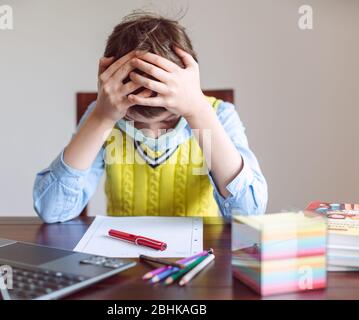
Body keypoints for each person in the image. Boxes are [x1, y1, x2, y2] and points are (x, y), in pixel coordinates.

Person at [33, 12, 267, 223]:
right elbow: (52, 210)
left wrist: (198, 112)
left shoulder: (218, 115)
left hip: (199, 259)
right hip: (126, 258)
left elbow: (247, 214)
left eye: (167, 120)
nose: (152, 132)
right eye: (134, 122)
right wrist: (102, 118)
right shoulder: (103, 115)